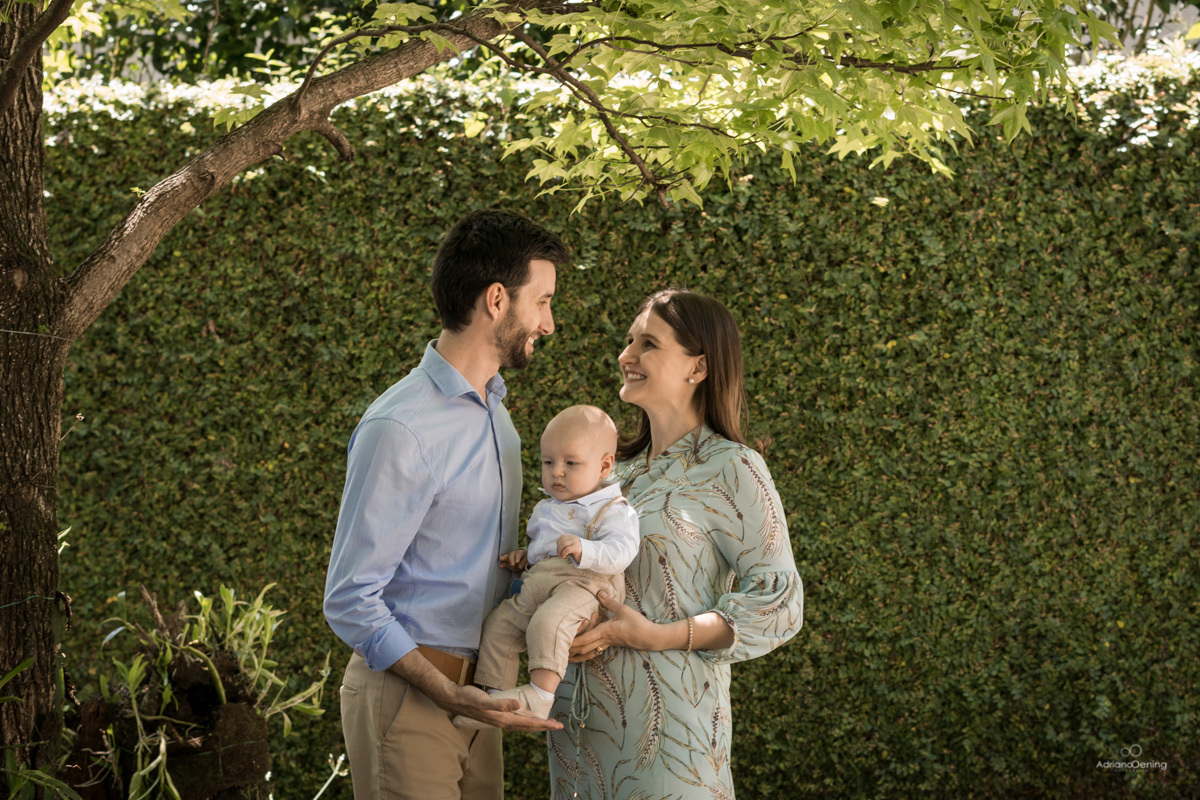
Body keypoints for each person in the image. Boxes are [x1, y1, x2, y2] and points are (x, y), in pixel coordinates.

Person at [323, 208, 570, 800]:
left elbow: (482, 569)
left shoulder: (499, 419)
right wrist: (443, 689)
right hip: (409, 698)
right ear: (496, 300)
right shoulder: (401, 428)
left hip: (480, 696)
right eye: (542, 301)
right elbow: (350, 599)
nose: (549, 323)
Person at [547, 290, 804, 800]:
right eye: (629, 341)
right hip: (576, 736)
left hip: (672, 745)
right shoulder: (610, 475)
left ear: (698, 367)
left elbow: (780, 601)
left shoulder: (733, 467)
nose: (626, 355)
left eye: (648, 344)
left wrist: (656, 636)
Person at [455, 405, 640, 728]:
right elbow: (543, 549)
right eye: (548, 462)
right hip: (539, 583)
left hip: (584, 586)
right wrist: (525, 557)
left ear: (604, 465)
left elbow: (623, 551)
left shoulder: (614, 509)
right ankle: (499, 698)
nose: (557, 472)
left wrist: (586, 548)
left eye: (571, 463)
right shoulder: (547, 508)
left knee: (549, 622)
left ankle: (540, 697)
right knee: (499, 626)